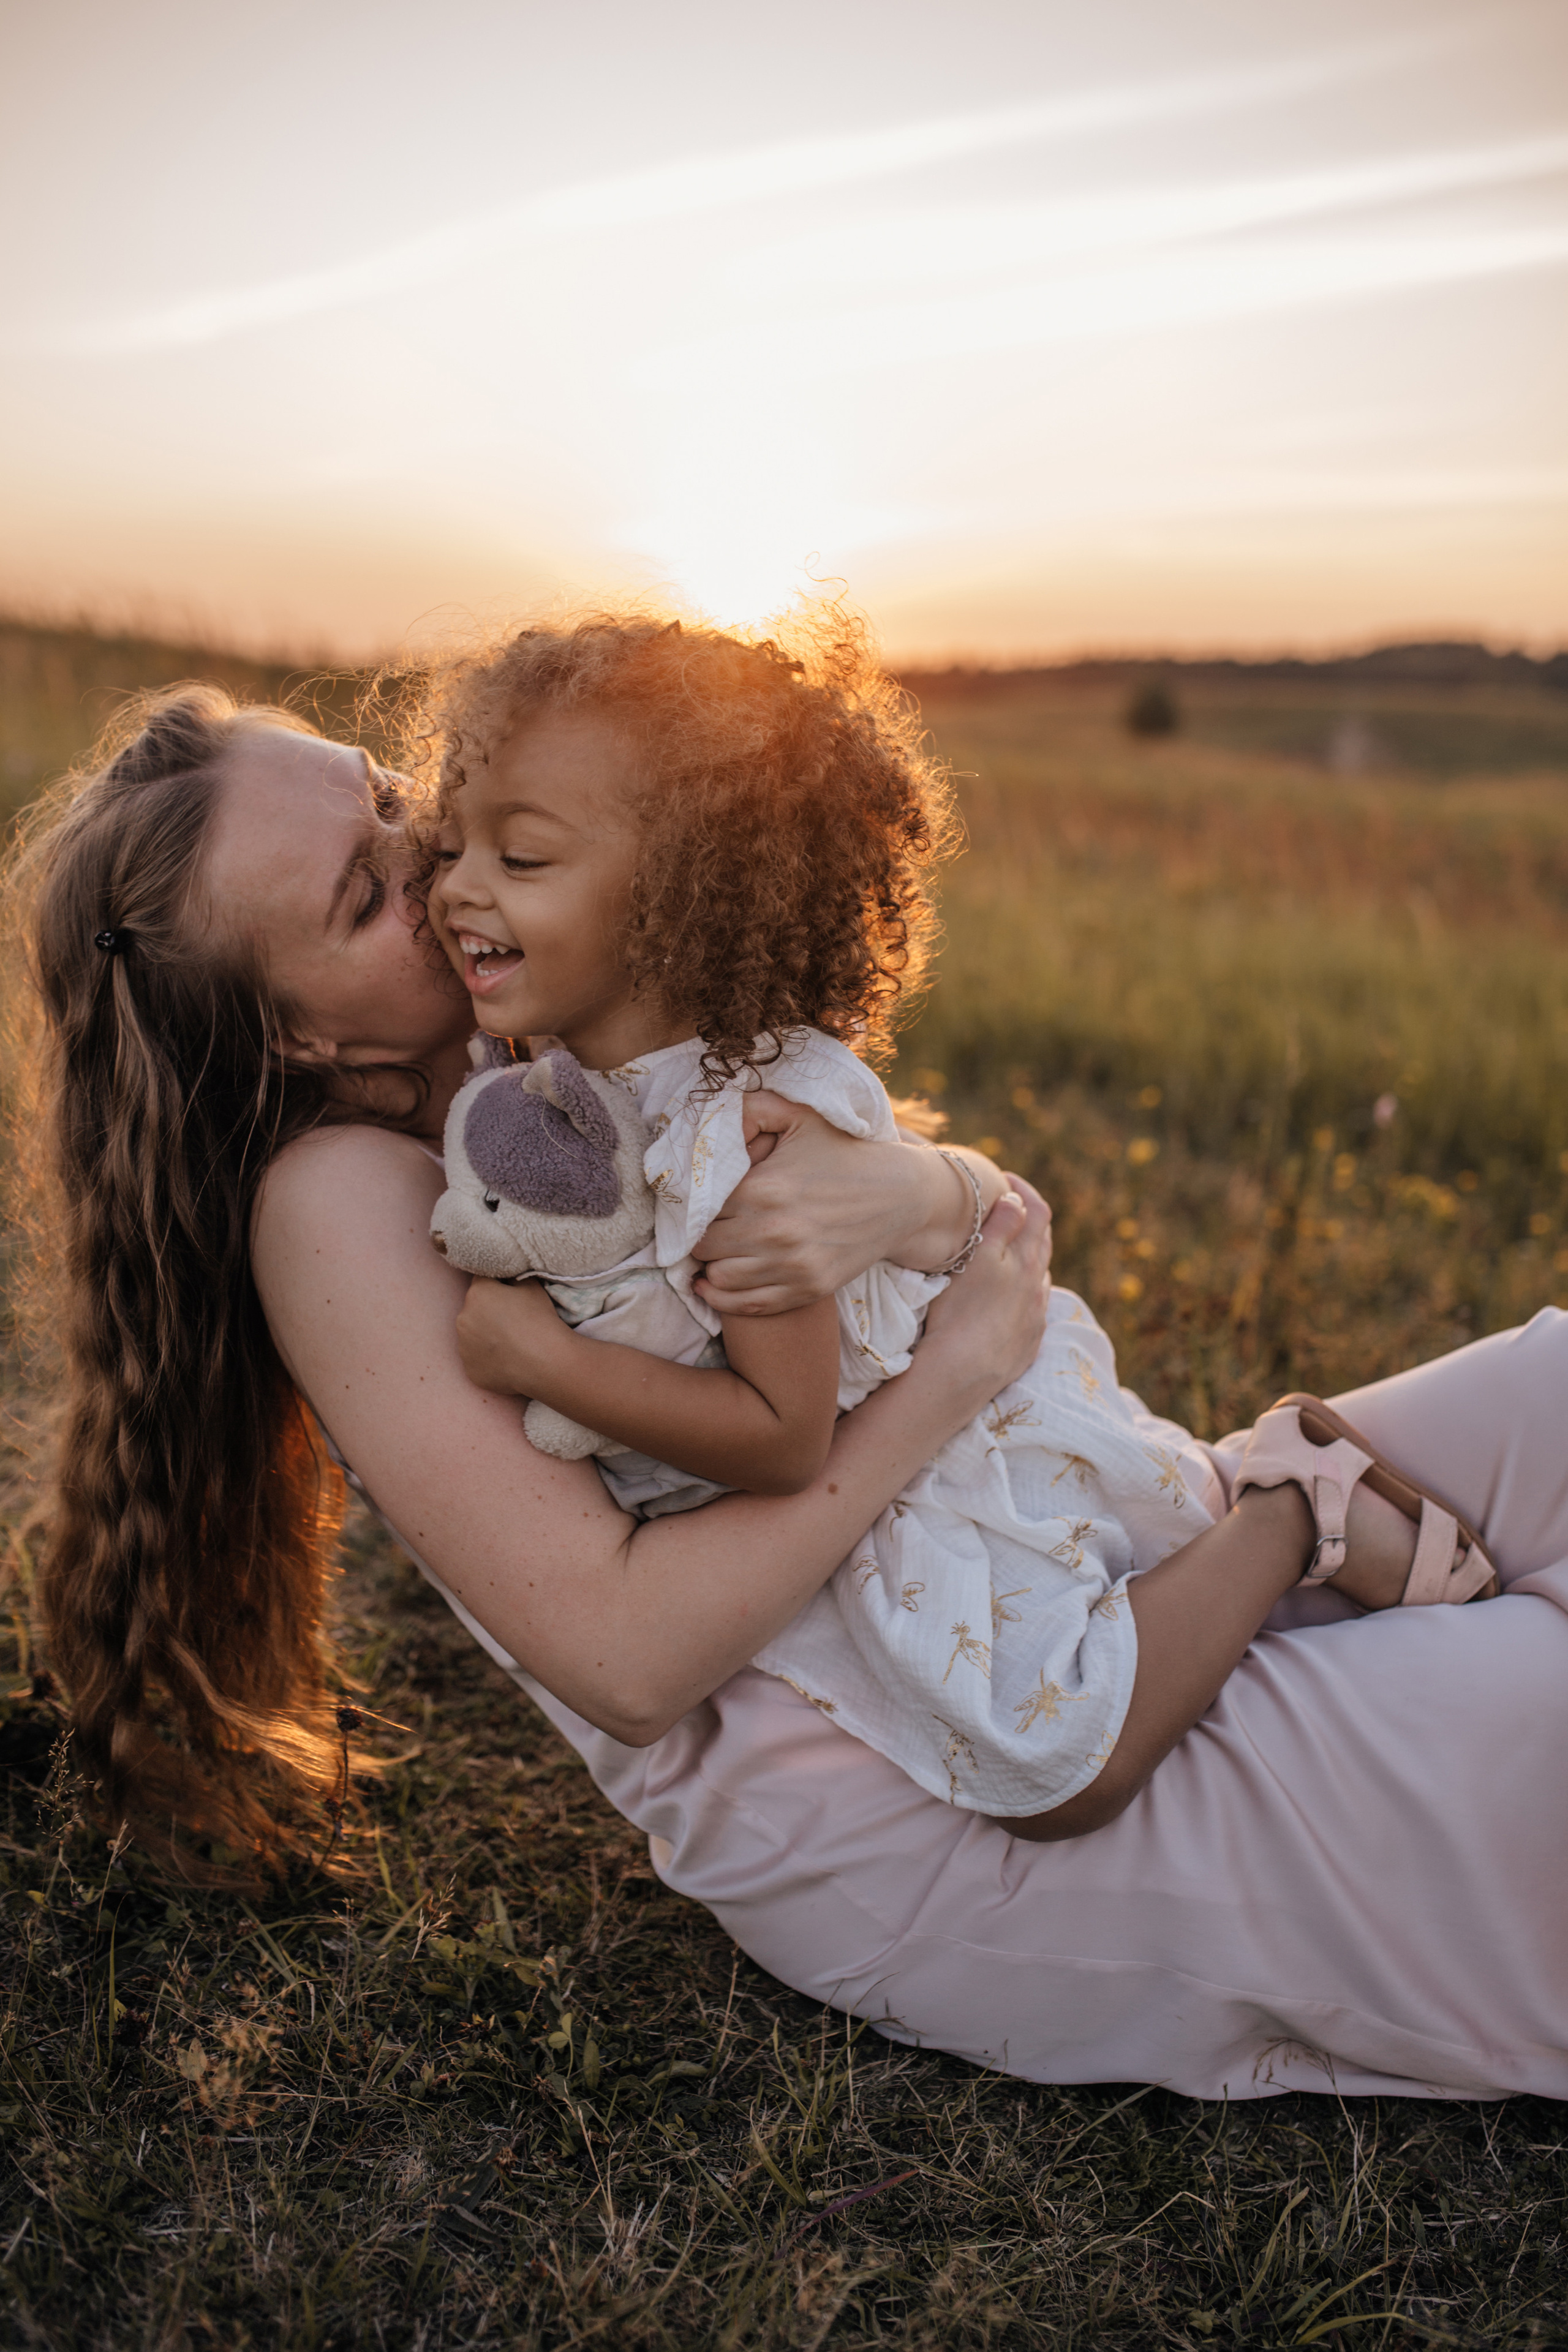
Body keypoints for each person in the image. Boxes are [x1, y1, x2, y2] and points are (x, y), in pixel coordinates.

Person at [9, 664, 1567, 2103]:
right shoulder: (336, 1199)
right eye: (365, 895)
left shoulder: (549, 1032)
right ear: (289, 1038)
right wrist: (940, 1385)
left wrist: (918, 1189)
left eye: (388, 795)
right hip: (938, 1785)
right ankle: (1294, 1512)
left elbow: (943, 1228)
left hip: (1035, 1566)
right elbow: (627, 1656)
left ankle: (1288, 1506)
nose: (431, 861)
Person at [417, 614, 1495, 1824]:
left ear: (676, 899)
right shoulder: (573, 1080)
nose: (457, 887)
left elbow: (782, 1437)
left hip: (944, 1461)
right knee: (1125, 1625)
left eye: (521, 859)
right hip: (885, 1472)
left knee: (1055, 1770)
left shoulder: (742, 1142)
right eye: (450, 847)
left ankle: (1291, 1503)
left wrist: (545, 1363)